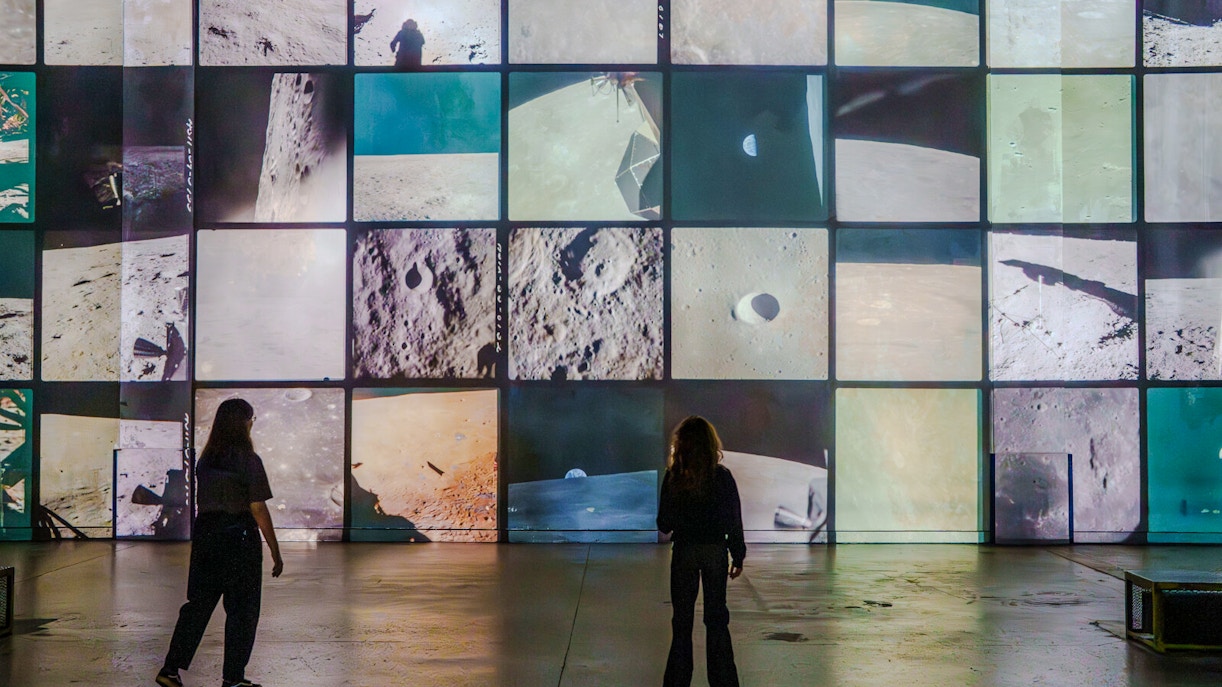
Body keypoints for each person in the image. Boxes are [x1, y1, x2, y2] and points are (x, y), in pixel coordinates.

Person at [156, 398, 283, 687]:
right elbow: (257, 508)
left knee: (197, 606)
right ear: (244, 423)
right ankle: (233, 678)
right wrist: (275, 550)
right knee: (242, 611)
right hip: (239, 539)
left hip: (207, 537)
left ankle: (170, 669)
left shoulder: (206, 461)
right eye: (251, 419)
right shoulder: (249, 461)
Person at [657, 416, 746, 687]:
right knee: (717, 620)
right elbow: (734, 520)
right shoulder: (723, 477)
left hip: (684, 552)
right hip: (715, 552)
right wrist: (738, 555)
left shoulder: (674, 477)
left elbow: (663, 524)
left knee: (681, 624)